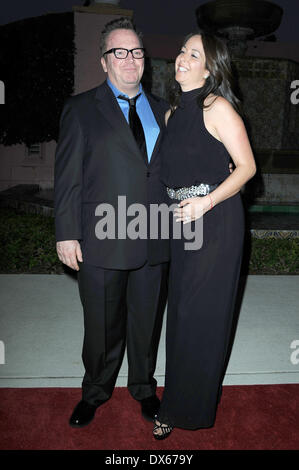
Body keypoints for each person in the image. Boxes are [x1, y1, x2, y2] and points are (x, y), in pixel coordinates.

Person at [54, 17, 169, 428]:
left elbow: (173, 168)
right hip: (102, 237)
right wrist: (66, 232)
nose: (129, 60)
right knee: (101, 324)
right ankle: (95, 391)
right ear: (104, 61)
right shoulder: (81, 109)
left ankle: (143, 387)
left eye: (136, 52)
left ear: (145, 60)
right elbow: (67, 177)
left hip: (154, 233)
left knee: (146, 321)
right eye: (119, 52)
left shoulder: (162, 109)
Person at [152, 31, 256, 440]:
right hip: (182, 224)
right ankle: (176, 398)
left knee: (201, 318)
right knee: (179, 313)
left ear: (210, 68)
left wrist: (207, 201)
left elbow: (246, 168)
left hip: (214, 223)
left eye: (193, 54)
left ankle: (182, 407)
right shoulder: (172, 114)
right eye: (181, 50)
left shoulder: (218, 108)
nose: (181, 57)